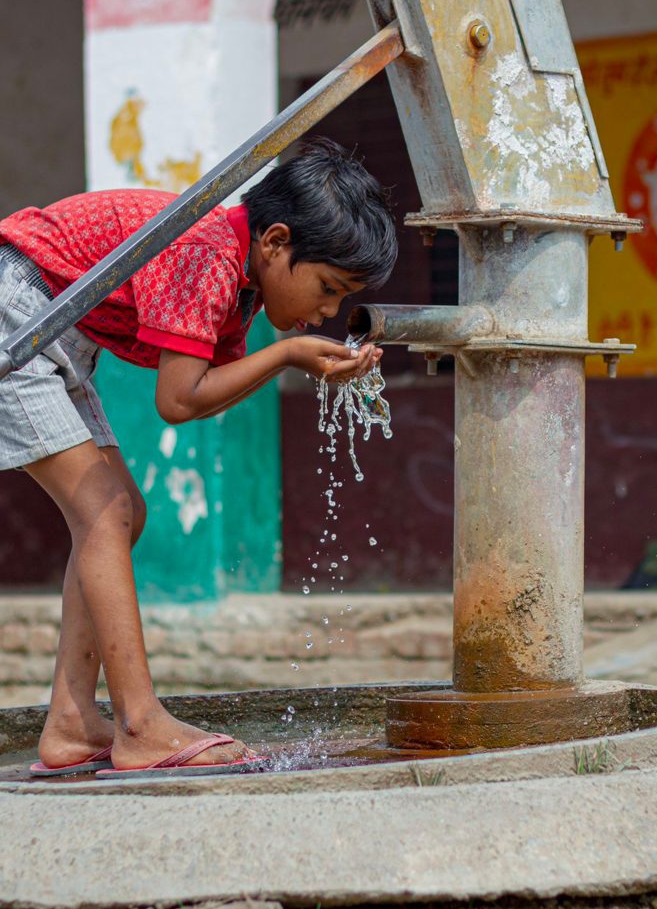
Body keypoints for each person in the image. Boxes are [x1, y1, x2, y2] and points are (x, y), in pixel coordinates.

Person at [0, 139, 396, 777]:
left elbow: (204, 388)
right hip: (15, 312)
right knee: (103, 514)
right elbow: (177, 402)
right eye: (328, 288)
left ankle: (72, 724)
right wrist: (287, 356)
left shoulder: (237, 278)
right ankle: (141, 724)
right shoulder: (208, 252)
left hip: (53, 324)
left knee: (123, 513)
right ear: (274, 242)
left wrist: (293, 357)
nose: (328, 310)